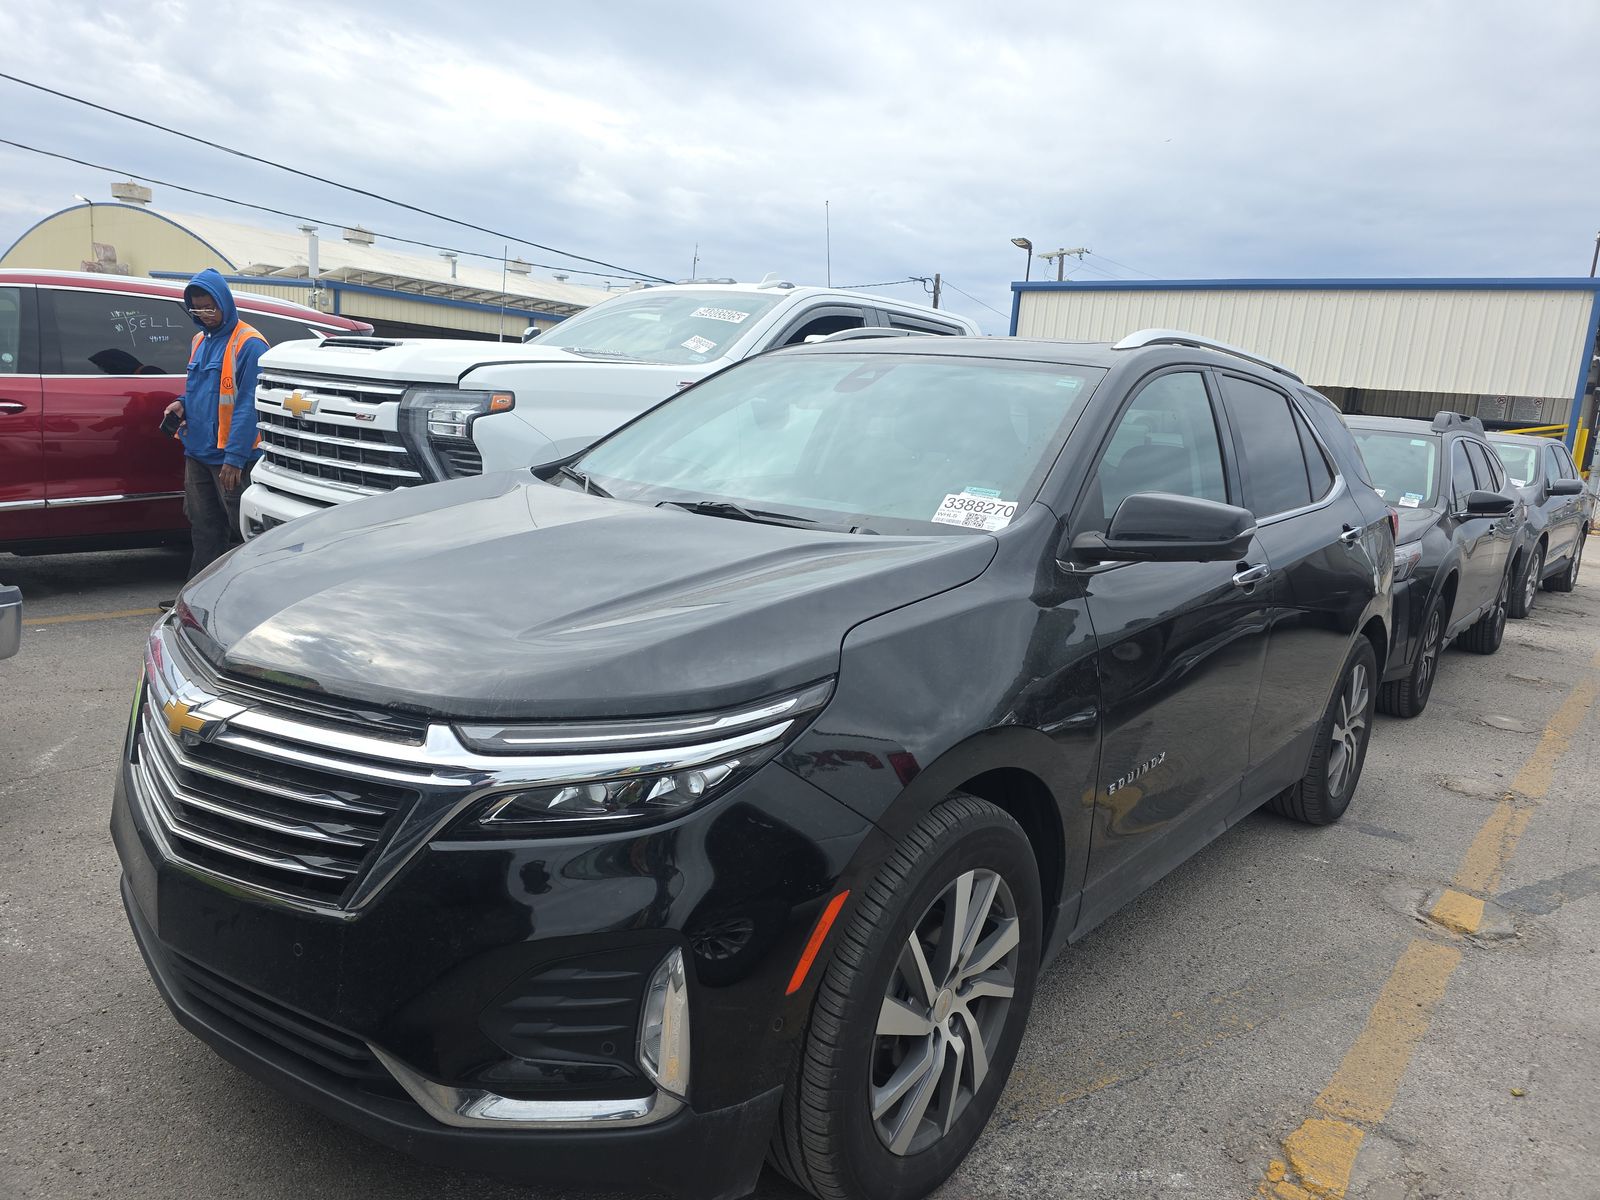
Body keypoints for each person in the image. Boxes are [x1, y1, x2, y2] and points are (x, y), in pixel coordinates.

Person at [160, 269, 268, 594]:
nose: (204, 315)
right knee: (204, 528)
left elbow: (250, 404)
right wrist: (180, 404)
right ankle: (196, 597)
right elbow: (198, 390)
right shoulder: (199, 341)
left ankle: (248, 597)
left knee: (244, 532)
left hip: (231, 459)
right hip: (198, 452)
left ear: (224, 302)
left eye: (210, 307)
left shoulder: (250, 344)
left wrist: (234, 458)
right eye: (197, 309)